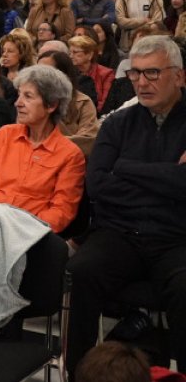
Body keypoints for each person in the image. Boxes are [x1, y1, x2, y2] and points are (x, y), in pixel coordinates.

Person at [66, 36, 186, 377]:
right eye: (135, 74)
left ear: (179, 76)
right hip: (120, 233)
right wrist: (169, 181)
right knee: (82, 271)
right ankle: (80, 373)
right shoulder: (119, 122)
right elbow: (98, 184)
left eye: (152, 73)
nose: (142, 83)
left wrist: (128, 167)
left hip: (177, 237)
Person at [0, 64, 85, 234]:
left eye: (28, 96)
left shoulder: (70, 154)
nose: (18, 103)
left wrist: (24, 232)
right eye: (18, 95)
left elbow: (62, 210)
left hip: (30, 233)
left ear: (51, 105)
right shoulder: (5, 134)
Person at [38, 49, 101, 155]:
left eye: (45, 72)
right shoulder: (30, 102)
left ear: (63, 75)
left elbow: (88, 140)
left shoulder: (83, 102)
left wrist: (48, 144)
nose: (38, 77)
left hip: (70, 161)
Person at [70, 35, 115, 108]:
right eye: (70, 52)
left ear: (90, 55)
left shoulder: (106, 74)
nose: (71, 56)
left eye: (75, 52)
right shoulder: (68, 72)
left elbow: (105, 103)